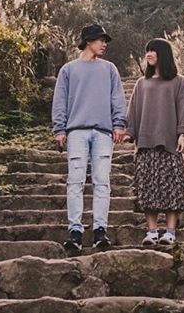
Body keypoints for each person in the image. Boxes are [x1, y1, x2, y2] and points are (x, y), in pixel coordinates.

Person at [51, 23, 128, 251]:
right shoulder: (68, 70)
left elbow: (118, 98)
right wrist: (59, 129)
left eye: (105, 40)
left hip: (103, 132)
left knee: (102, 182)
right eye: (100, 40)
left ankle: (99, 230)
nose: (104, 44)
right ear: (88, 41)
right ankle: (75, 230)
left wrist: (119, 124)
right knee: (75, 181)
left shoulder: (110, 69)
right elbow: (60, 101)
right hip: (76, 132)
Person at [124, 37, 184, 247]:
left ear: (163, 54)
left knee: (172, 187)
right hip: (145, 144)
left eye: (152, 51)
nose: (148, 54)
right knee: (147, 189)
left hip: (169, 143)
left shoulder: (178, 81)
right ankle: (151, 232)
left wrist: (183, 133)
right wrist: (128, 132)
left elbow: (183, 109)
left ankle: (170, 231)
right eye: (147, 51)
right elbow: (133, 111)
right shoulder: (141, 84)